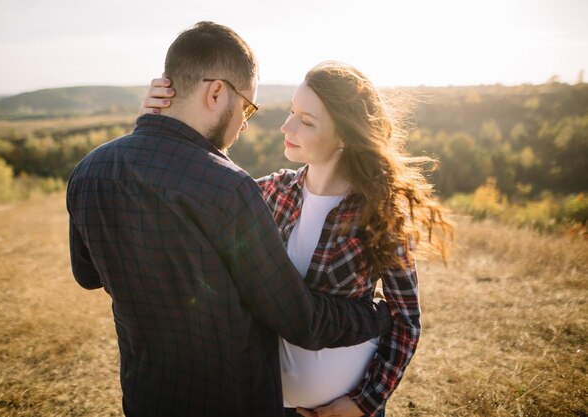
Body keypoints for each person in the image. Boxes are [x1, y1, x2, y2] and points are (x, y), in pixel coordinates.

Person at [67, 22, 393, 417]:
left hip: (146, 397)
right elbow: (299, 319)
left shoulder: (89, 171)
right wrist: (374, 314)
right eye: (247, 107)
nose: (245, 122)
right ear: (217, 92)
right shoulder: (230, 189)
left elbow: (88, 276)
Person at [140, 61, 452, 416]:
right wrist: (159, 124)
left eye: (306, 121)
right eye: (291, 112)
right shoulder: (273, 191)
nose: (287, 126)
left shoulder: (378, 211)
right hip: (272, 403)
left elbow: (406, 320)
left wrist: (363, 404)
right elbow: (200, 186)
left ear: (344, 135)